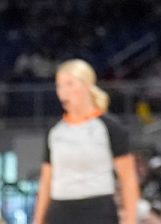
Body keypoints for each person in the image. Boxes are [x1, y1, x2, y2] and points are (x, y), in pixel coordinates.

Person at [33, 59, 139, 224]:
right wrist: (38, 221)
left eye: (69, 84)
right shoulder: (54, 131)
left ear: (87, 85)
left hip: (99, 210)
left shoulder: (109, 127)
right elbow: (46, 182)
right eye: (59, 86)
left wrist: (131, 220)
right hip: (59, 211)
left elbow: (128, 179)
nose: (63, 92)